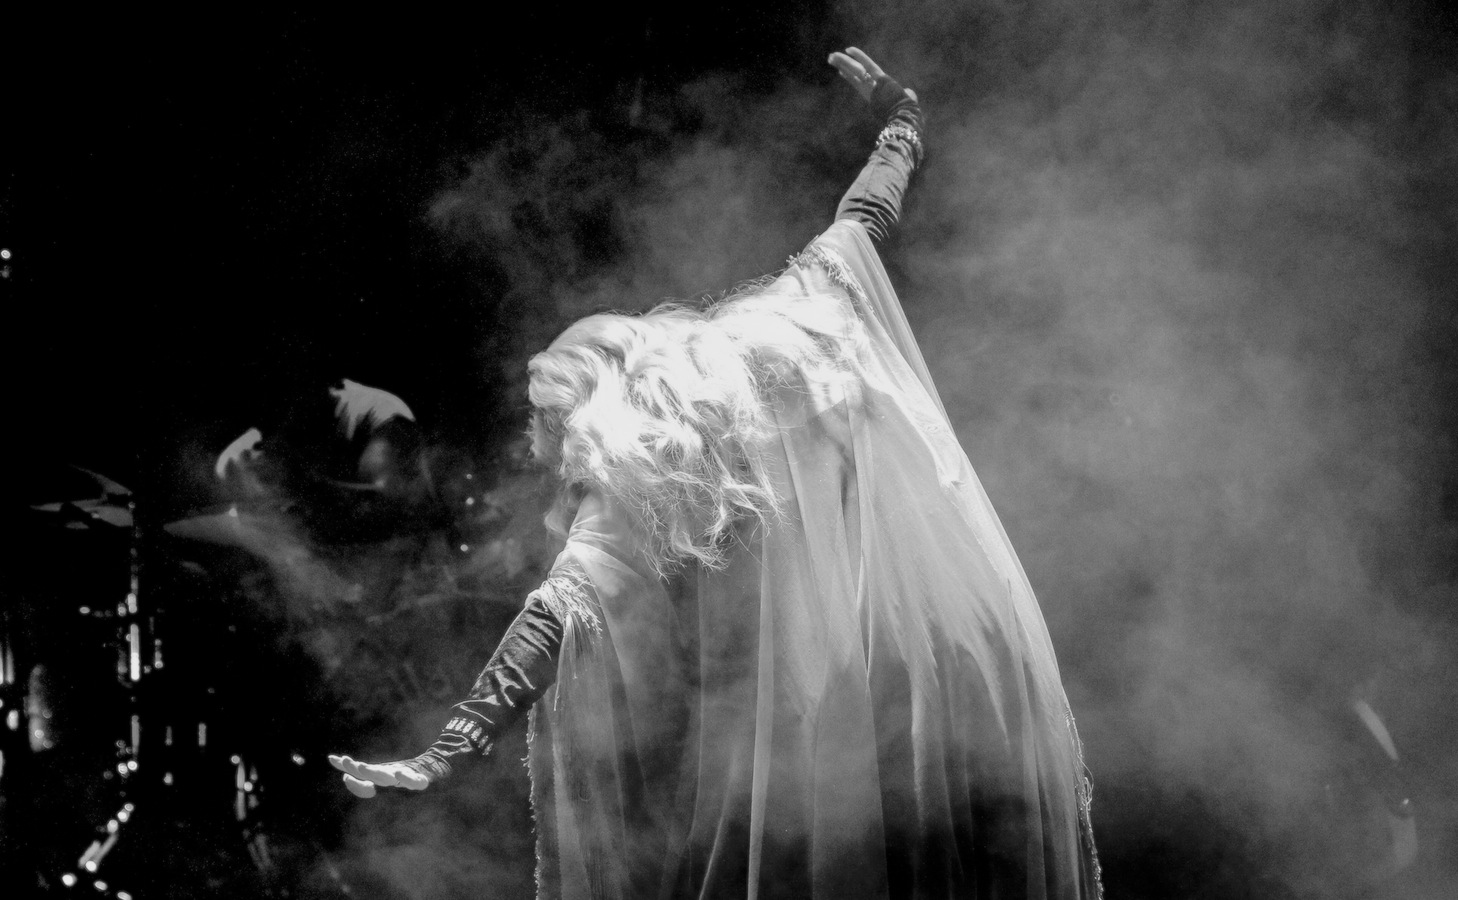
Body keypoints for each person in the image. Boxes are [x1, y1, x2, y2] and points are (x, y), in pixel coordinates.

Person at [331, 48, 1103, 900]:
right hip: (962, 640)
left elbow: (553, 617)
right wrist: (904, 121)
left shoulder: (631, 445)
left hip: (834, 704)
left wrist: (445, 753)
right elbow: (864, 217)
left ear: (585, 401)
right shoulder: (791, 313)